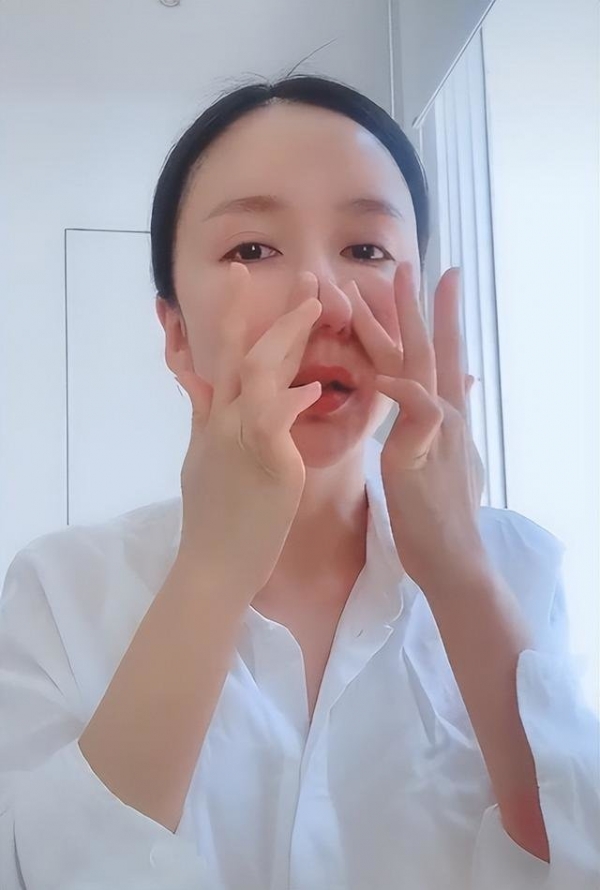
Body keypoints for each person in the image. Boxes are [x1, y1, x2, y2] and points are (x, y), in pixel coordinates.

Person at [0, 73, 598, 890]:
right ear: (176, 333)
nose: (328, 305)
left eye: (367, 250)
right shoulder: (59, 593)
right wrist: (212, 572)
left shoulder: (521, 570)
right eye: (252, 249)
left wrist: (459, 570)